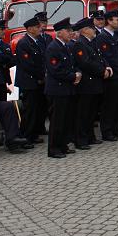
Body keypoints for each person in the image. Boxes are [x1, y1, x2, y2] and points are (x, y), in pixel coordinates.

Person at [44, 18, 81, 158]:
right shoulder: (53, 48)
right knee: (57, 121)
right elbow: (56, 70)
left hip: (67, 88)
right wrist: (73, 76)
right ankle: (53, 149)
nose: (71, 33)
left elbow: (73, 64)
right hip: (57, 90)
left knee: (66, 119)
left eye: (71, 30)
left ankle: (63, 145)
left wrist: (77, 74)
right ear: (59, 33)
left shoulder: (66, 46)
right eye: (68, 30)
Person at [71, 17, 109, 149]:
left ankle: (90, 136)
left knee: (91, 113)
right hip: (86, 84)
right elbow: (85, 63)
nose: (94, 30)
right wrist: (102, 71)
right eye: (92, 28)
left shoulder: (91, 42)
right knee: (83, 113)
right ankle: (81, 140)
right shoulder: (80, 44)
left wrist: (106, 67)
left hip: (94, 83)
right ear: (85, 30)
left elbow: (99, 58)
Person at [14, 17, 47, 146]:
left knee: (36, 109)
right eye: (37, 27)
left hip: (37, 81)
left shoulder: (37, 42)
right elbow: (28, 65)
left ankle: (33, 134)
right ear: (30, 29)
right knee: (29, 110)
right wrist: (41, 76)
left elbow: (42, 60)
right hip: (29, 81)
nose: (40, 29)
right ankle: (25, 136)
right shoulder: (24, 43)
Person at [98, 9, 118, 141]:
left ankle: (115, 128)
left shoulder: (115, 35)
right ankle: (107, 131)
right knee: (109, 105)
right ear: (109, 21)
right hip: (113, 77)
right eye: (117, 20)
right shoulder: (103, 37)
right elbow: (108, 58)